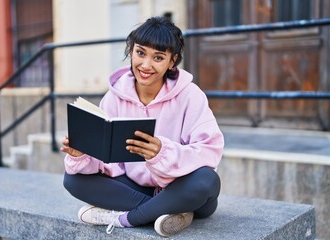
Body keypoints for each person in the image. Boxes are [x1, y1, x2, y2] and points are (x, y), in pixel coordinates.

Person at [61, 16, 224, 237]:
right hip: (134, 188)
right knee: (73, 179)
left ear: (172, 61)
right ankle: (172, 211)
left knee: (206, 180)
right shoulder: (114, 98)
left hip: (181, 186)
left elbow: (209, 151)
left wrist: (161, 153)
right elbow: (108, 163)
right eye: (140, 53)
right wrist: (82, 154)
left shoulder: (190, 95)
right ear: (131, 51)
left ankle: (126, 219)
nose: (146, 65)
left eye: (158, 57)